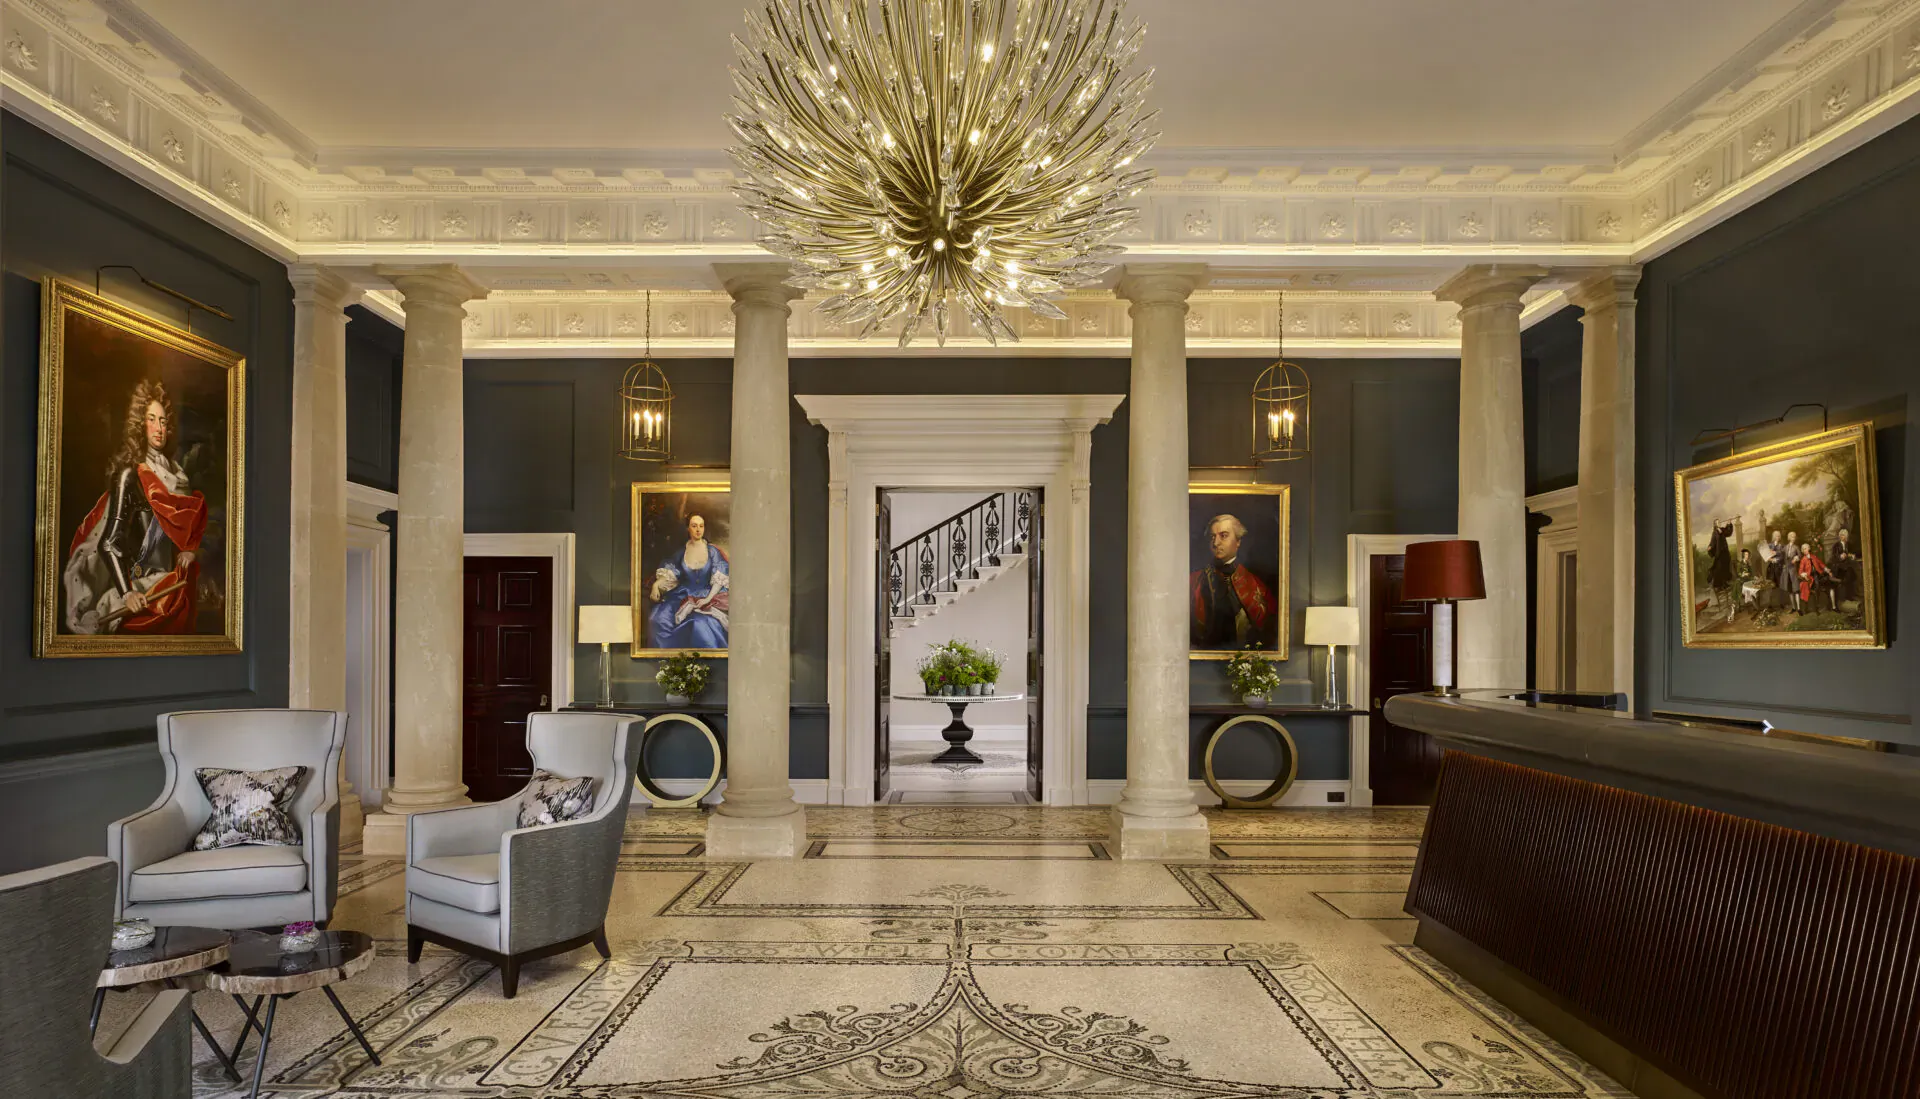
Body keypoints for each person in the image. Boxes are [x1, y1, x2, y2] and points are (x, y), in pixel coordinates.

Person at [62, 379, 206, 634]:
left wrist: (189, 550)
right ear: (141, 424)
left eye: (163, 421)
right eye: (151, 419)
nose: (159, 428)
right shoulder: (131, 475)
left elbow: (185, 533)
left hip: (170, 584)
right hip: (140, 587)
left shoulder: (178, 476)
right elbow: (109, 542)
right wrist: (126, 592)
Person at [1190, 514, 1278, 649]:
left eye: (1223, 535)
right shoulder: (1194, 581)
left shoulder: (1255, 584)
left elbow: (1268, 629)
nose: (1216, 543)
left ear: (1238, 542)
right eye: (1212, 537)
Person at [647, 513, 729, 649]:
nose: (698, 530)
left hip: (706, 595)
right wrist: (656, 585)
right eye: (694, 526)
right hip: (682, 595)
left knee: (700, 624)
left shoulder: (712, 551)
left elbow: (719, 577)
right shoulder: (681, 552)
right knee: (657, 620)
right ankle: (668, 658)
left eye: (701, 526)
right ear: (688, 528)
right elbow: (672, 572)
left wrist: (708, 599)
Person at [1798, 543, 1832, 612]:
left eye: (1805, 549)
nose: (1804, 550)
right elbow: (1800, 570)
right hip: (1810, 576)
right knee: (1816, 586)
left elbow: (1820, 564)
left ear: (1808, 549)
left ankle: (1828, 604)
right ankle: (1817, 606)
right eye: (1803, 549)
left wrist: (1826, 569)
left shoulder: (1813, 557)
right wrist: (1804, 575)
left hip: (1819, 574)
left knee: (1827, 581)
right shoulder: (1803, 560)